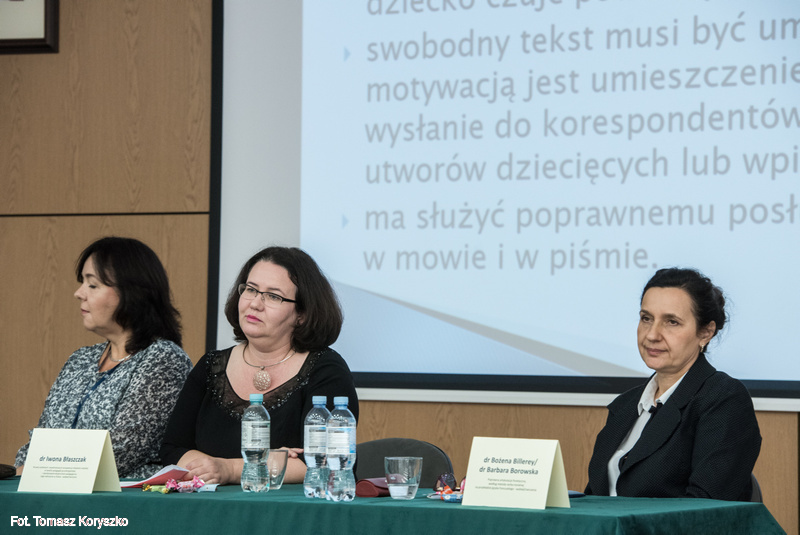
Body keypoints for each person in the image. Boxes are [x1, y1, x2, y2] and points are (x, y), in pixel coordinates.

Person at [160, 246, 358, 485]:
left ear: (302, 314)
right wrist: (210, 468)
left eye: (273, 296)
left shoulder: (326, 370)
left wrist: (230, 469)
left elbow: (325, 461)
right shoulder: (211, 366)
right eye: (251, 289)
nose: (255, 303)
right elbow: (173, 448)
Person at [15, 237, 192, 480]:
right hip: (52, 490)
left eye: (93, 285)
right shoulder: (80, 359)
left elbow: (118, 453)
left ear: (132, 292)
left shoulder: (163, 359)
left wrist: (35, 469)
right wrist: (20, 469)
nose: (79, 293)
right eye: (82, 283)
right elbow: (41, 439)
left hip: (121, 497)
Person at [585, 267, 761, 501]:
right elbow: (596, 498)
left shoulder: (723, 399)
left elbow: (705, 507)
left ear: (705, 332)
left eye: (672, 322)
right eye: (646, 318)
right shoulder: (625, 405)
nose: (652, 335)